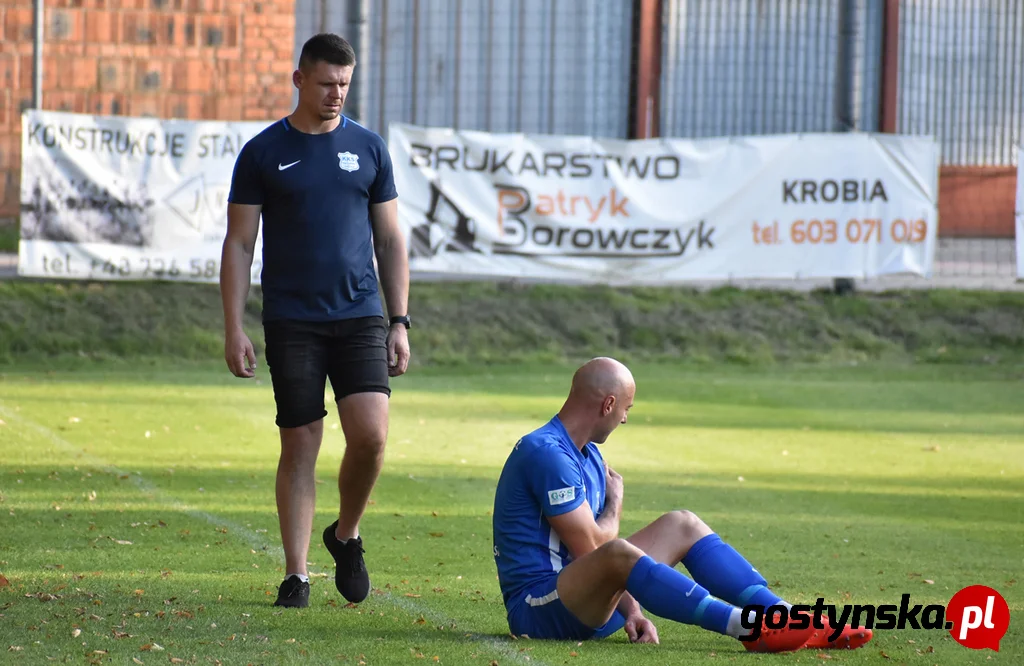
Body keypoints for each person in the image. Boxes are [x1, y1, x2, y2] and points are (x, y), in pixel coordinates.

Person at [491, 358, 873, 652]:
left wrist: (633, 612)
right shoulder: (547, 454)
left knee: (682, 524)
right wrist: (617, 502)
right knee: (617, 551)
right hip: (539, 610)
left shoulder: (587, 456)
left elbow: (597, 562)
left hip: (583, 604)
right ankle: (748, 628)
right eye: (627, 408)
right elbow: (594, 550)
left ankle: (787, 617)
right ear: (608, 404)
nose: (625, 418)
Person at [220, 33, 411, 609]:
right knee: (299, 443)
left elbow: (389, 237)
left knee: (372, 436)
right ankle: (297, 574)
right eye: (326, 83)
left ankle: (345, 533)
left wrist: (399, 320)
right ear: (299, 79)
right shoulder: (261, 152)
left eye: (345, 85)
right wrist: (233, 326)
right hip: (292, 319)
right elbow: (238, 243)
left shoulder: (369, 148)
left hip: (360, 315)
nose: (336, 94)